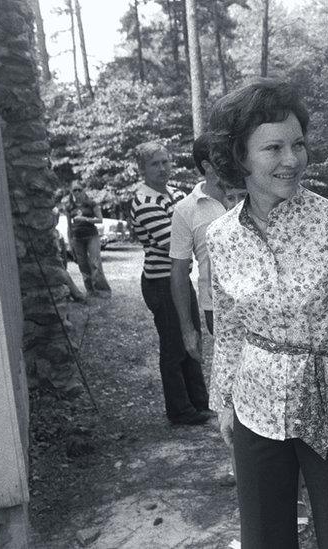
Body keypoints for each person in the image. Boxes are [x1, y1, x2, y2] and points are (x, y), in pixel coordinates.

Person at [204, 78, 328, 547]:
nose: (291, 160)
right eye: (273, 148)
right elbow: (228, 328)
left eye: (298, 144)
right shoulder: (221, 237)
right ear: (239, 156)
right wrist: (224, 402)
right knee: (264, 536)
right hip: (255, 401)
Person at [129, 142, 212, 426]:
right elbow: (173, 244)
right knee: (174, 344)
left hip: (178, 278)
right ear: (142, 170)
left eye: (165, 162)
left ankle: (199, 402)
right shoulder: (145, 202)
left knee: (193, 337)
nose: (163, 168)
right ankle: (179, 410)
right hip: (160, 282)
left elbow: (189, 229)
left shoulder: (175, 194)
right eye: (155, 164)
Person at [169, 136, 244, 364]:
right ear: (207, 166)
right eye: (223, 157)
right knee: (233, 367)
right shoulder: (185, 209)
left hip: (263, 299)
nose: (232, 160)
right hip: (217, 307)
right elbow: (179, 271)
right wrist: (187, 329)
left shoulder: (251, 194)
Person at [64, 183, 111, 296]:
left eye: (79, 190)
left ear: (83, 190)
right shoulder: (69, 206)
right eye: (74, 190)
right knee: (82, 264)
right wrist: (70, 243)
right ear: (72, 192)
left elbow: (100, 220)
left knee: (95, 263)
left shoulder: (91, 204)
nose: (77, 193)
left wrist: (85, 219)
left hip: (91, 236)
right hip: (77, 238)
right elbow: (69, 226)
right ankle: (90, 291)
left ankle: (102, 290)